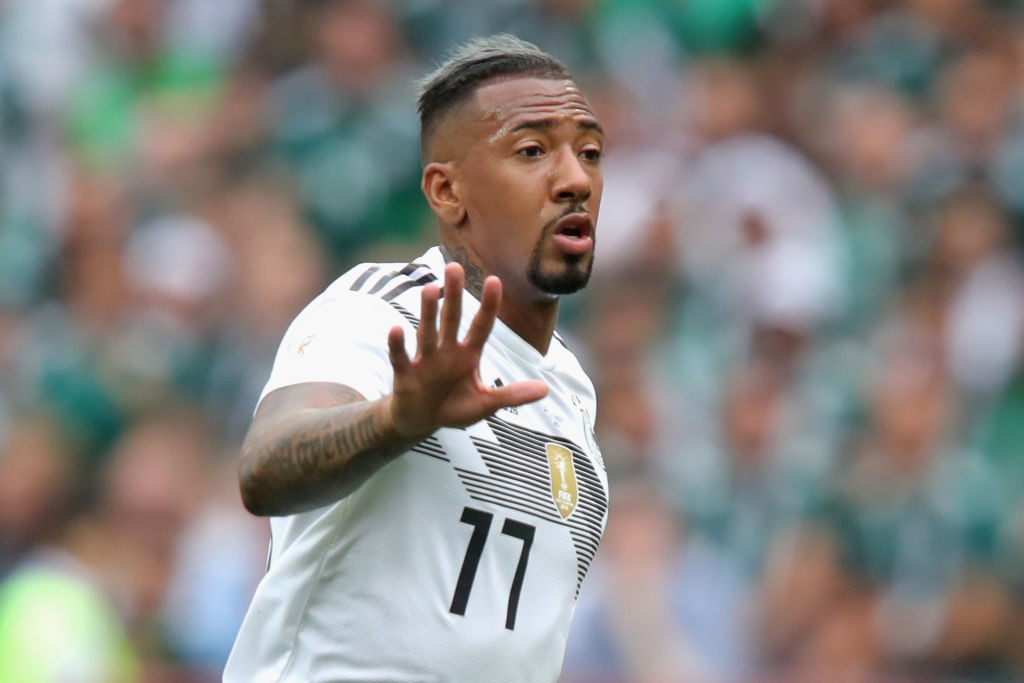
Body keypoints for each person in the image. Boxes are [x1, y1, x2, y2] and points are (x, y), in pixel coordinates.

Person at [224, 34, 609, 682]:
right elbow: (265, 469)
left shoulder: (569, 392)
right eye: (532, 151)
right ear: (447, 192)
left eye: (590, 152)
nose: (575, 179)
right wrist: (396, 420)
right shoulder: (380, 311)